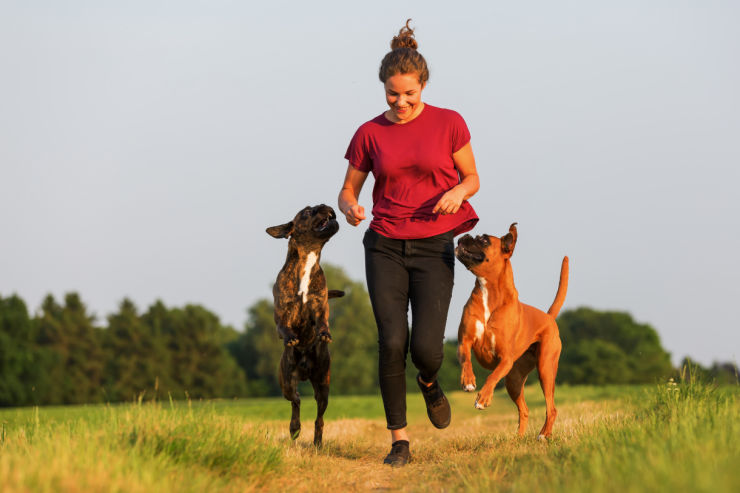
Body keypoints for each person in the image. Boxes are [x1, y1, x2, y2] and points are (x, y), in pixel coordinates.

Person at [338, 20, 480, 466]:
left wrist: (458, 192)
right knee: (392, 340)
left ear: (423, 86)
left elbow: (472, 177)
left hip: (434, 244)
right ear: (384, 89)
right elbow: (348, 189)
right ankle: (399, 439)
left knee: (426, 349)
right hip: (383, 244)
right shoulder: (368, 133)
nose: (400, 103)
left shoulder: (450, 123)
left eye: (409, 95)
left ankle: (429, 381)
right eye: (391, 95)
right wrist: (350, 208)